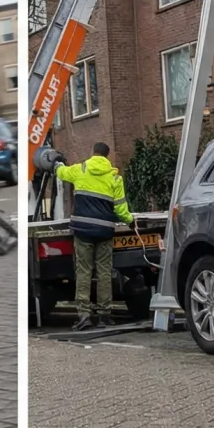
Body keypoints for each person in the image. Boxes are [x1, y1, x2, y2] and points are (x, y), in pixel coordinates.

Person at [55, 141, 134, 331]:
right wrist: (131, 221)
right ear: (107, 156)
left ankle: (84, 315)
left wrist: (56, 163)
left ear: (93, 152)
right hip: (104, 231)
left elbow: (61, 173)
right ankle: (105, 315)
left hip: (83, 231)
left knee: (84, 271)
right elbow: (121, 209)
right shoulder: (114, 178)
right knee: (104, 272)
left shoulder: (80, 170)